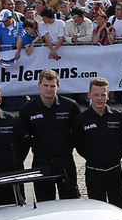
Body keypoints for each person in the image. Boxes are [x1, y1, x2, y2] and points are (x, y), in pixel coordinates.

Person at [20, 71, 80, 201]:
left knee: (71, 202)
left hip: (65, 161)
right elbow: (23, 138)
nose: (49, 89)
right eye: (45, 85)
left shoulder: (70, 106)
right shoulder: (27, 109)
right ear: (39, 85)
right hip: (41, 162)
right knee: (44, 203)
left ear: (58, 86)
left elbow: (78, 133)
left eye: (52, 86)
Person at [75, 77, 122, 208]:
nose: (99, 98)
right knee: (97, 208)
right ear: (89, 95)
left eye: (103, 95)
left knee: (119, 205)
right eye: (96, 94)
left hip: (114, 170)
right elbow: (79, 144)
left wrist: (114, 154)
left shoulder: (118, 117)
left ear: (108, 95)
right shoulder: (81, 119)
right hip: (93, 171)